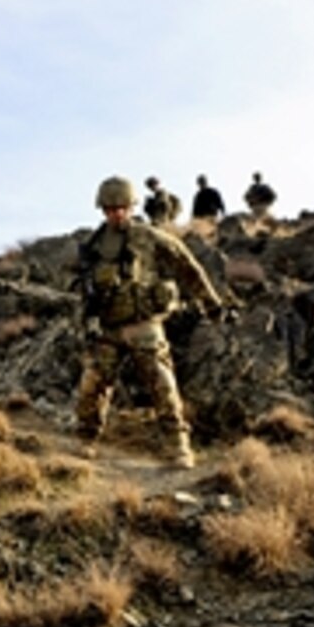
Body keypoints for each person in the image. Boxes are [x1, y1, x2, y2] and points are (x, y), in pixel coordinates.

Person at [74, 176, 226, 469]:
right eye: (109, 208)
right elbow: (85, 287)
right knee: (92, 385)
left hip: (144, 323)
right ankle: (85, 441)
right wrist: (88, 318)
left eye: (121, 207)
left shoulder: (148, 236)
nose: (116, 213)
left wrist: (211, 303)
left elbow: (187, 264)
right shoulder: (93, 245)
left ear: (132, 206)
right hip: (108, 326)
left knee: (162, 383)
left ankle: (178, 446)